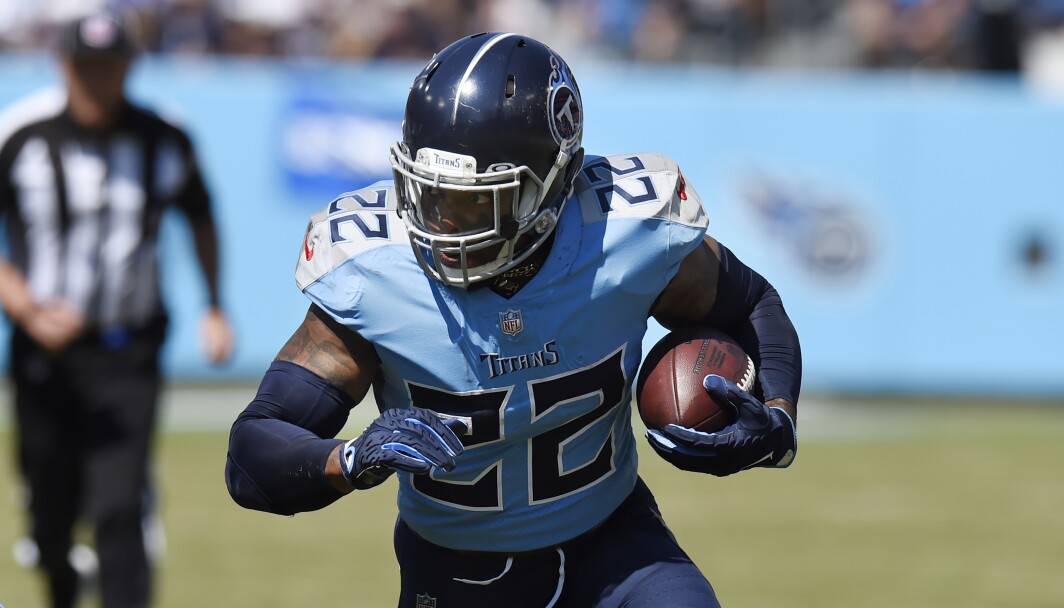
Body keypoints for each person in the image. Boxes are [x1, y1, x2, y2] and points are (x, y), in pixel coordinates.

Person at [225, 32, 800, 607]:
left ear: (550, 185)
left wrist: (774, 421)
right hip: (457, 577)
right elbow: (253, 453)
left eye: (472, 202)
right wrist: (347, 459)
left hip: (619, 548)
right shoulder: (376, 272)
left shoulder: (629, 234)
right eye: (427, 195)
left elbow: (752, 305)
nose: (440, 225)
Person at [0, 11, 234, 608]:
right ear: (63, 67)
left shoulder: (163, 137)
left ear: (130, 68)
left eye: (110, 67)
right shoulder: (22, 135)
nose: (98, 81)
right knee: (50, 508)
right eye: (86, 68)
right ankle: (61, 579)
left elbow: (201, 216)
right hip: (43, 354)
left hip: (128, 349)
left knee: (120, 504)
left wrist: (215, 306)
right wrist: (26, 308)